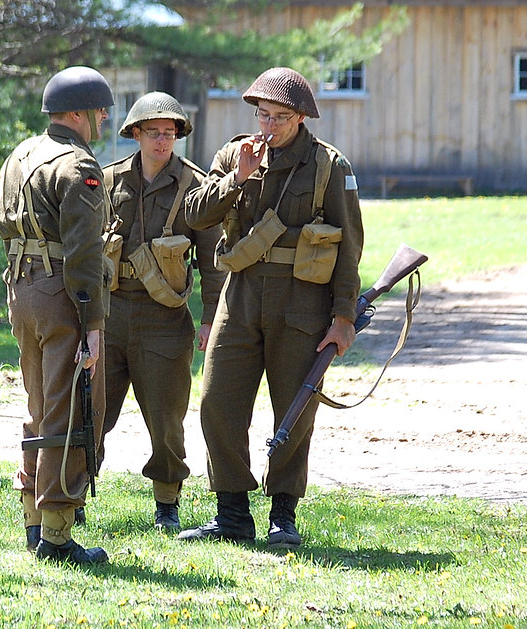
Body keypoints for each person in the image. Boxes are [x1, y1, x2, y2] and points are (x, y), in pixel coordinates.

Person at [176, 67, 363, 549]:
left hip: (301, 302)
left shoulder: (328, 166)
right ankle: (232, 512)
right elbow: (196, 214)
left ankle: (284, 513)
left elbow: (348, 247)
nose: (269, 125)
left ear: (300, 117)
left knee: (294, 410)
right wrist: (236, 178)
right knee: (218, 402)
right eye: (262, 114)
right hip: (239, 297)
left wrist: (343, 318)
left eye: (280, 116)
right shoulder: (234, 155)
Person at [0, 66, 113, 565]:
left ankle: (33, 518)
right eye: (101, 110)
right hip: (62, 294)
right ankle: (59, 534)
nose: (104, 118)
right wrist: (93, 325)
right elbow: (84, 254)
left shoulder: (20, 155)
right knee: (72, 409)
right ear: (81, 113)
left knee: (39, 406)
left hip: (22, 292)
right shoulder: (77, 165)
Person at [99, 92, 225, 531]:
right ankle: (71, 493)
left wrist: (211, 318)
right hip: (110, 313)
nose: (162, 141)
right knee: (91, 410)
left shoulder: (194, 186)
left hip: (165, 320)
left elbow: (213, 258)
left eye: (169, 133)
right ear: (135, 134)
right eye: (153, 132)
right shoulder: (106, 180)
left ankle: (167, 503)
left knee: (167, 419)